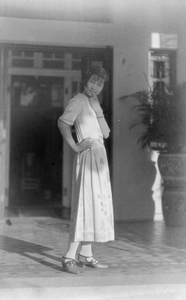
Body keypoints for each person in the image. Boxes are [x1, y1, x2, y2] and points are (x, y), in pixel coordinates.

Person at [58, 65, 114, 274]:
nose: (95, 86)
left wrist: (99, 111)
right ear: (85, 81)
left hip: (100, 159)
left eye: (100, 84)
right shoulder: (79, 100)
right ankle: (69, 256)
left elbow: (106, 134)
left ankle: (86, 253)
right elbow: (63, 123)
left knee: (96, 206)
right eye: (93, 81)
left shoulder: (94, 103)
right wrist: (75, 146)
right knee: (84, 206)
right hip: (88, 157)